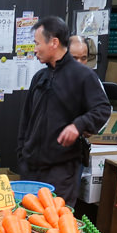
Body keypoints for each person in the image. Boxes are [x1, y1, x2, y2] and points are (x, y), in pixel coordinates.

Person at [17, 16, 111, 206]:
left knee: (57, 224)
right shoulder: (39, 77)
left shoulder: (82, 76)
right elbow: (26, 119)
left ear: (53, 42)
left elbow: (102, 109)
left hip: (61, 172)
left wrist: (78, 126)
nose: (35, 49)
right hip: (31, 169)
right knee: (26, 222)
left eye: (37, 43)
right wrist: (21, 153)